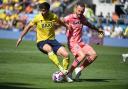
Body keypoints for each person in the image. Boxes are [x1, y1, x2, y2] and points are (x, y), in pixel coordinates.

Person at [16, 2, 73, 82]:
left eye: (44, 10)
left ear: (48, 10)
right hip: (41, 41)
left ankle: (63, 75)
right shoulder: (37, 18)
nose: (42, 12)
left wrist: (66, 26)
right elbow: (28, 26)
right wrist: (20, 37)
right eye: (41, 10)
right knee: (49, 49)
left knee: (66, 55)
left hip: (52, 40)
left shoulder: (53, 16)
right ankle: (61, 69)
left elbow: (60, 22)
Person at [63, 2, 104, 81]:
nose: (80, 13)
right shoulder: (69, 17)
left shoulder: (82, 18)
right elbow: (59, 21)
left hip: (80, 42)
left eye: (82, 11)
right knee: (82, 55)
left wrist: (98, 30)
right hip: (72, 43)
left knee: (93, 55)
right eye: (79, 11)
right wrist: (66, 26)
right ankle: (69, 73)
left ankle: (79, 69)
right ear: (75, 9)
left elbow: (88, 24)